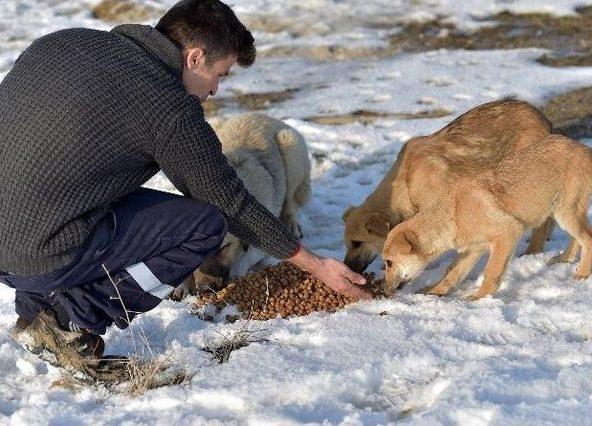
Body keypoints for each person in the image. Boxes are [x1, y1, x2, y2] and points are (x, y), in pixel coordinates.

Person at [0, 0, 370, 378]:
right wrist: (315, 265)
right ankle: (69, 319)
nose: (215, 91)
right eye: (221, 75)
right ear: (194, 58)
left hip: (9, 245)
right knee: (205, 226)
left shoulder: (63, 42)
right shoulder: (167, 105)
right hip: (43, 253)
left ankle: (35, 309)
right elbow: (229, 203)